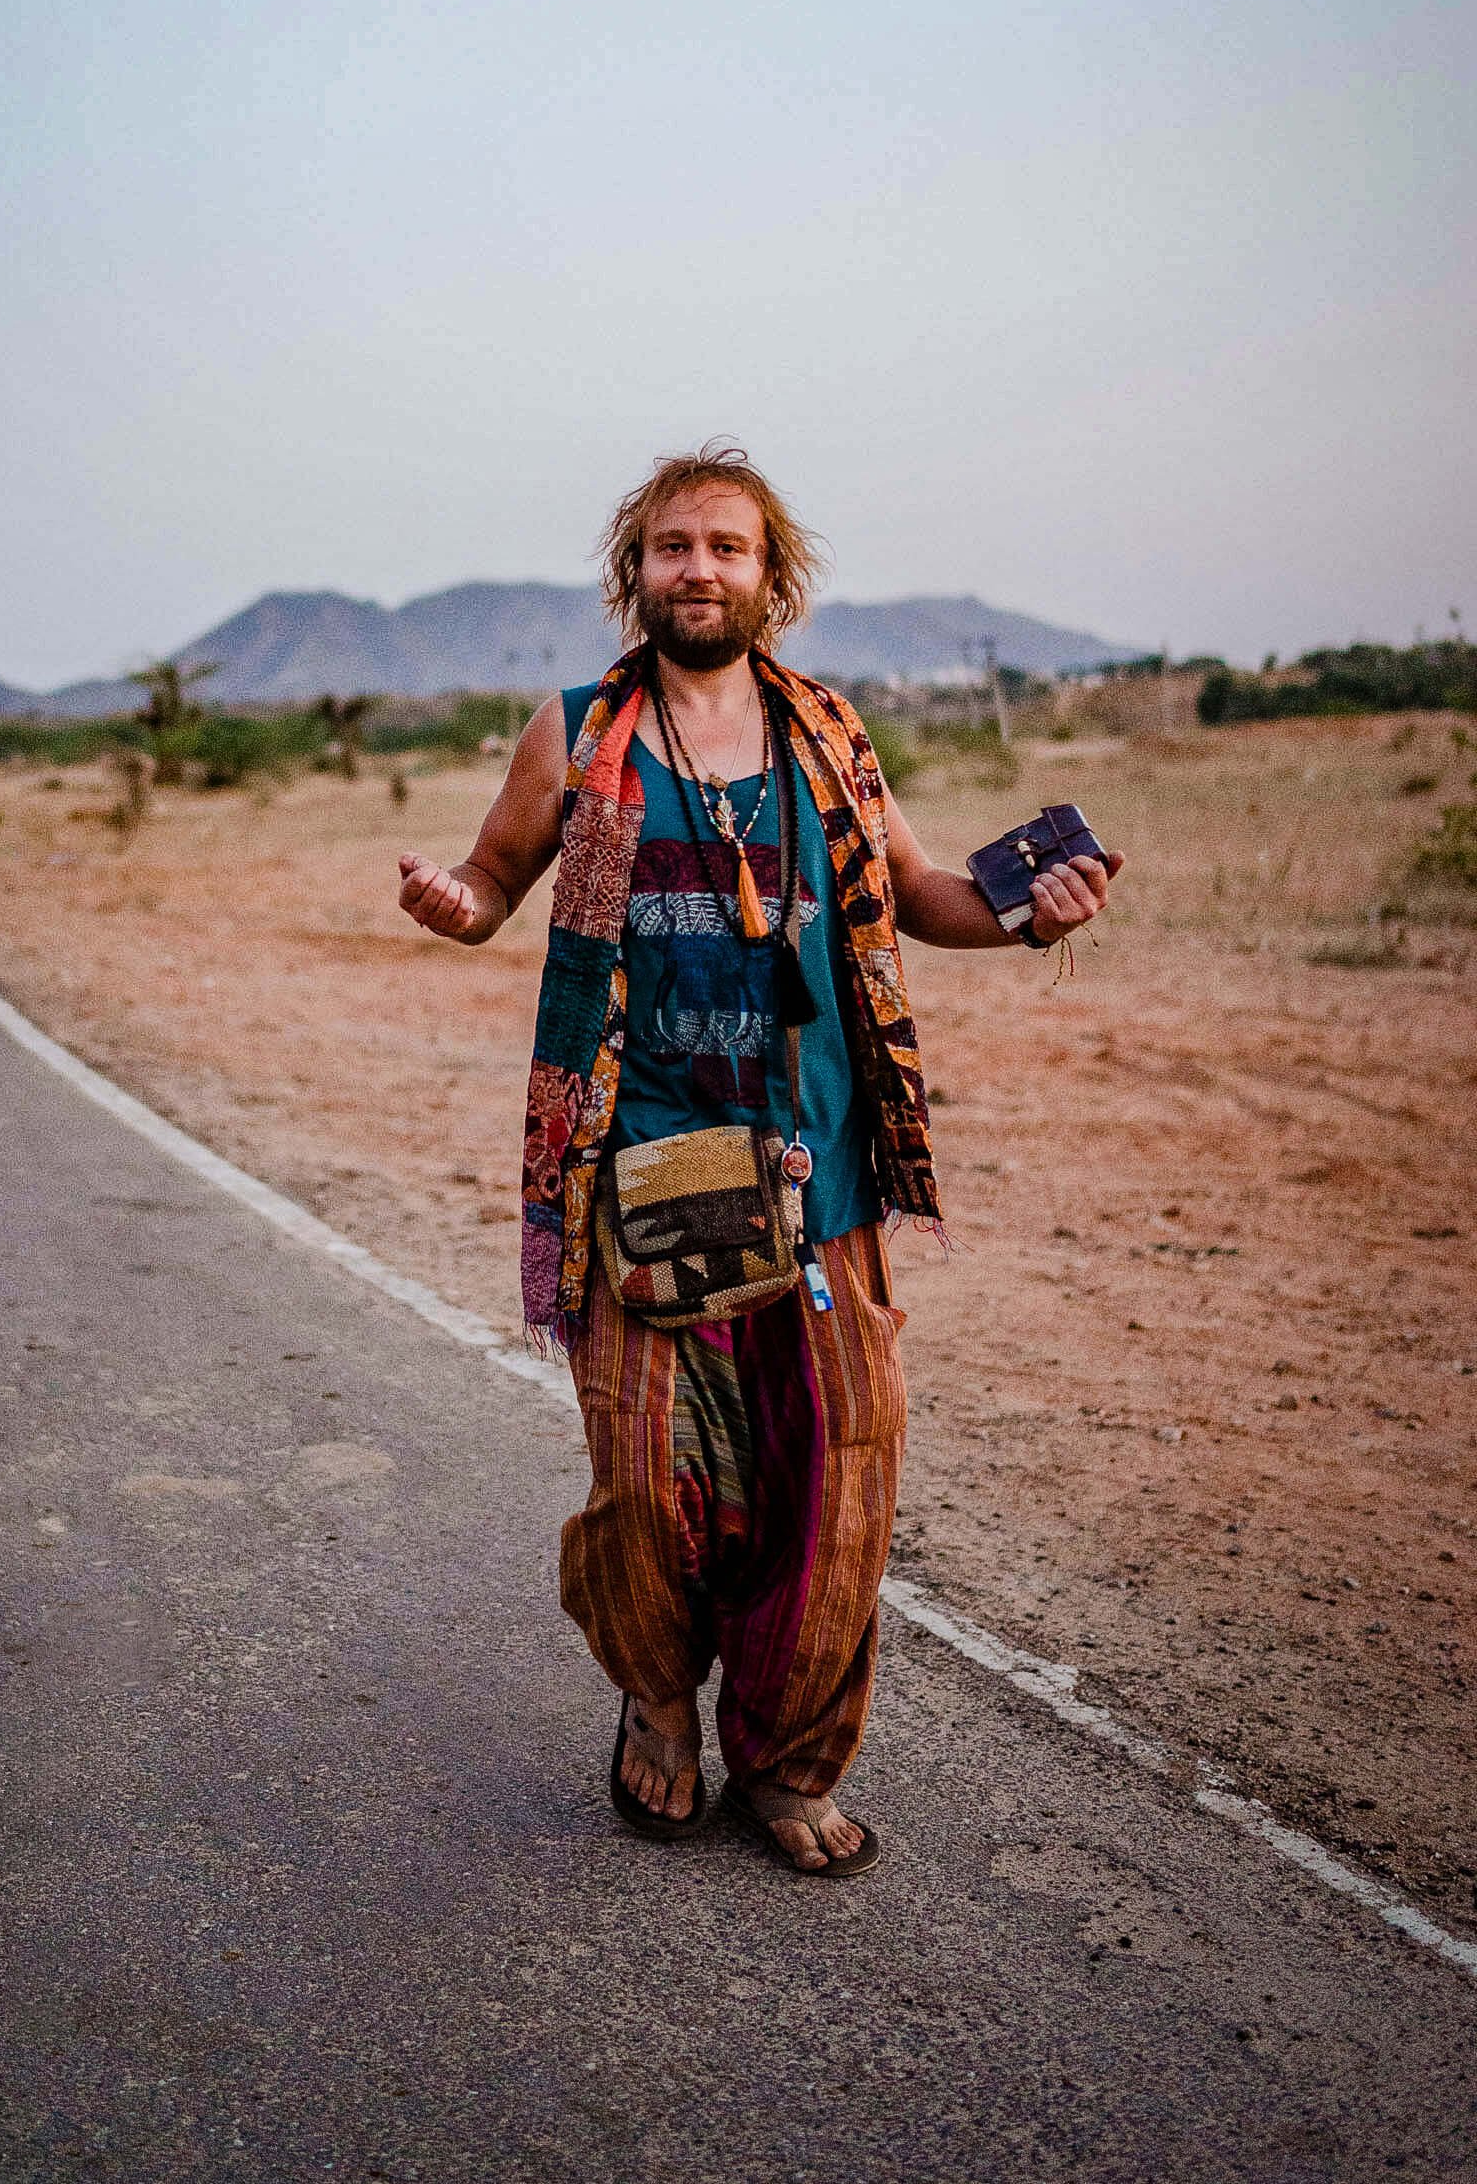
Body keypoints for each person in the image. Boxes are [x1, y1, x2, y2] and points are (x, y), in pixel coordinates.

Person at [397, 447, 1120, 1874]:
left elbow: (916, 894)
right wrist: (456, 898)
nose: (699, 569)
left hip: (820, 1183)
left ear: (768, 575)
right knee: (646, 1489)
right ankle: (661, 1711)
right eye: (673, 546)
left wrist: (1032, 910)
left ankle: (789, 1766)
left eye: (727, 546)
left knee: (832, 1482)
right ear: (638, 571)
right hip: (641, 1182)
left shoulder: (829, 734)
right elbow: (493, 881)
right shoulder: (575, 733)